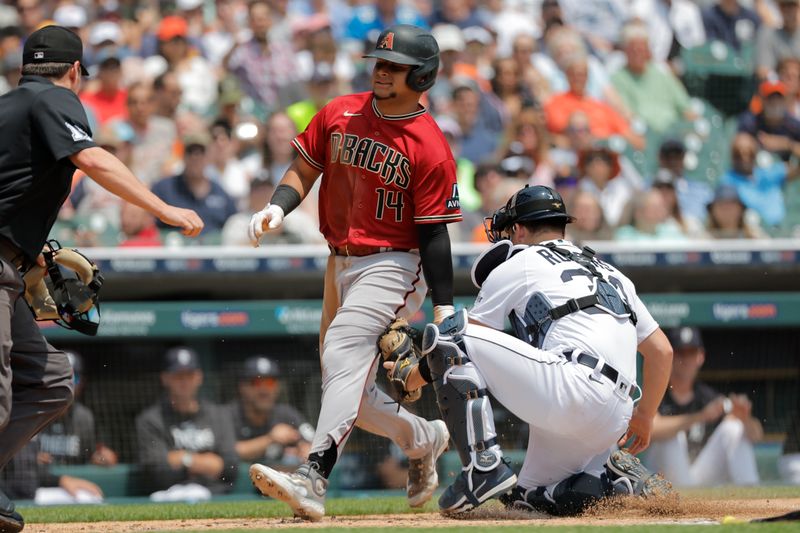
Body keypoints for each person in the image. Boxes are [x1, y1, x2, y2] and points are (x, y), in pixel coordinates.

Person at [246, 25, 461, 521]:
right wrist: (279, 207)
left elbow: (434, 232)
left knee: (343, 351)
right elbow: (304, 168)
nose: (382, 70)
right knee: (349, 393)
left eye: (395, 65)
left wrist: (445, 304)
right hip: (337, 260)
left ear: (422, 75)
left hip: (395, 260)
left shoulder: (428, 144)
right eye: (379, 62)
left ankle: (313, 477)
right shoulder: (340, 111)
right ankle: (424, 438)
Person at [0, 26, 203, 532]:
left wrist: (27, 255)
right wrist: (163, 208)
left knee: (50, 380)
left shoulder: (8, 107)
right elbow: (92, 159)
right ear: (74, 71)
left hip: (7, 265)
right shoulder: (54, 98)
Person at [384, 184, 675, 515]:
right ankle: (610, 481)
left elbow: (461, 342)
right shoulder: (613, 272)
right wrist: (645, 416)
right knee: (527, 502)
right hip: (617, 414)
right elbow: (662, 352)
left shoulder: (521, 260)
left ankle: (483, 468)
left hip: (572, 388)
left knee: (450, 333)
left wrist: (411, 377)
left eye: (509, 229)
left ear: (519, 230)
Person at [646, 327, 763, 487]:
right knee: (672, 437)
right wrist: (700, 416)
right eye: (681, 353)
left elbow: (756, 436)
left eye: (691, 353)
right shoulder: (659, 392)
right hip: (660, 480)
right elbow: (651, 429)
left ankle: (754, 496)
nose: (686, 360)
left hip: (697, 475)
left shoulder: (707, 396)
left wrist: (745, 419)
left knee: (733, 427)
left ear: (700, 357)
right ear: (671, 356)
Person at [135, 347, 239, 497]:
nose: (184, 381)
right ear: (165, 378)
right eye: (178, 375)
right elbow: (155, 471)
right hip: (168, 496)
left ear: (199, 377)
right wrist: (206, 462)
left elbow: (230, 469)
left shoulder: (219, 415)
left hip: (215, 495)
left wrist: (183, 458)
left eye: (189, 375)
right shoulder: (151, 419)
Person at [228, 356, 315, 464]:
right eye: (257, 382)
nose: (264, 390)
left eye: (270, 383)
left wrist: (304, 448)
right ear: (243, 387)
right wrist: (270, 439)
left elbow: (315, 446)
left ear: (277, 387)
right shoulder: (228, 415)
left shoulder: (287, 414)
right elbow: (227, 451)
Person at [38, 351, 118, 467]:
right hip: (38, 481)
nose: (67, 385)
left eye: (73, 379)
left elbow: (94, 454)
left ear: (82, 383)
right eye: (59, 378)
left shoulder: (85, 417)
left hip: (76, 482)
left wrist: (101, 457)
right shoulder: (34, 412)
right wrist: (30, 458)